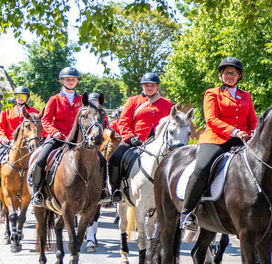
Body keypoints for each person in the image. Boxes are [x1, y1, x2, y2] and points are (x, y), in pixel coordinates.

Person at [180, 57, 257, 230]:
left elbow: (252, 120)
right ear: (221, 74)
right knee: (202, 168)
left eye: (234, 73)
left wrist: (253, 132)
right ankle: (187, 213)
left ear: (239, 76)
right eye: (227, 73)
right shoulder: (212, 93)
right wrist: (233, 131)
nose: (230, 76)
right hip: (216, 138)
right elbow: (211, 119)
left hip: (242, 139)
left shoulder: (246, 96)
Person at [108, 72, 173, 202]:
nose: (149, 87)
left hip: (158, 142)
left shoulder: (166, 103)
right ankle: (115, 190)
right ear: (142, 86)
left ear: (157, 86)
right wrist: (130, 136)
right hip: (135, 140)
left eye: (152, 85)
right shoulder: (133, 101)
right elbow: (123, 122)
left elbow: (171, 123)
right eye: (146, 85)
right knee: (115, 159)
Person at [31, 67, 84, 206]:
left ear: (77, 81)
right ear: (62, 81)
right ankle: (37, 191)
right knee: (40, 159)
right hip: (58, 138)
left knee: (100, 159)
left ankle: (102, 190)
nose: (71, 81)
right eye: (68, 79)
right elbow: (46, 120)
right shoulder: (54, 99)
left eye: (73, 79)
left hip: (77, 140)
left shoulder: (82, 100)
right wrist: (54, 132)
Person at [0, 86, 39, 192]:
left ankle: (40, 183)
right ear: (15, 97)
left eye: (23, 96)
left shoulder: (34, 111)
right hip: (7, 140)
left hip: (27, 142)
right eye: (19, 96)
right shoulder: (7, 110)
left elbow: (38, 126)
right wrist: (2, 138)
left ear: (27, 97)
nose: (21, 98)